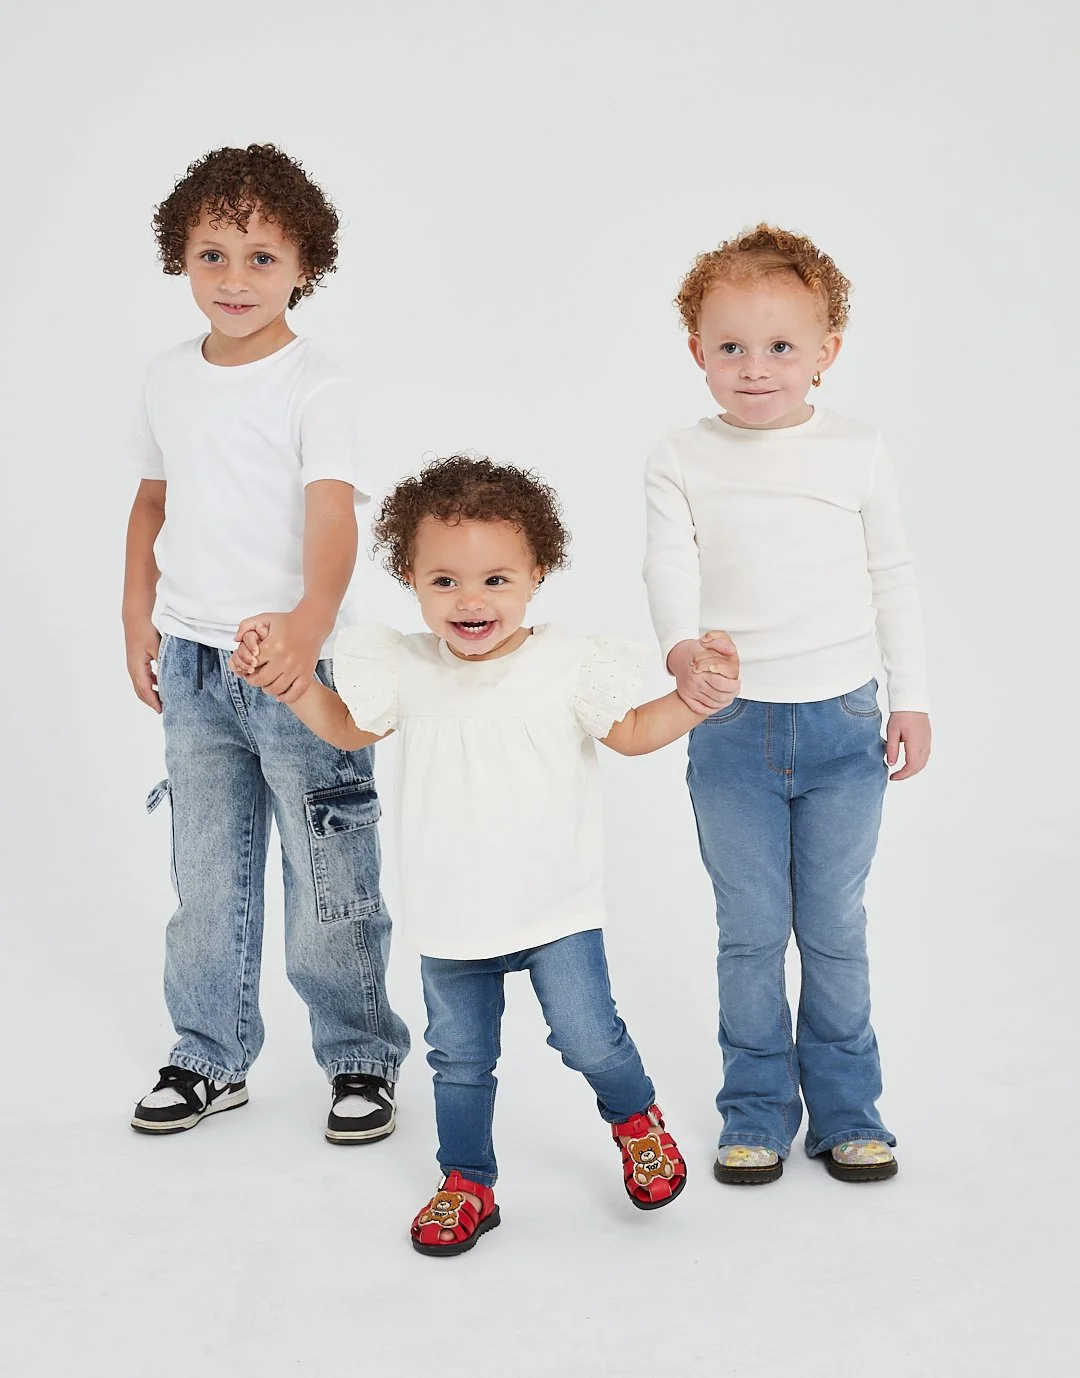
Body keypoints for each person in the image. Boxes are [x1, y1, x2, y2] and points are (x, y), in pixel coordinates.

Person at [232, 455, 741, 1253]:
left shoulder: (567, 662)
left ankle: (635, 1117)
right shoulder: (404, 665)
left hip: (555, 908)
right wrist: (292, 686)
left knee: (589, 1036)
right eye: (445, 582)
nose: (471, 602)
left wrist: (693, 700)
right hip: (452, 914)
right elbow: (346, 729)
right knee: (459, 1062)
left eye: (497, 580)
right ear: (411, 577)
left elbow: (634, 734)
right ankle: (467, 1180)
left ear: (538, 572)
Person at [123, 143, 409, 1142]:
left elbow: (332, 518)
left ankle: (361, 1055)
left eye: (259, 256)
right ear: (181, 259)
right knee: (206, 870)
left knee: (331, 877)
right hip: (196, 664)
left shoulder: (313, 382)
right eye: (211, 254)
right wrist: (137, 618)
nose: (233, 279)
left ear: (303, 265)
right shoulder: (168, 377)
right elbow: (152, 502)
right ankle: (207, 1050)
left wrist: (307, 628)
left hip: (300, 668)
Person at [644, 224, 931, 1184]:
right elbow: (668, 561)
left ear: (825, 355)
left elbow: (893, 574)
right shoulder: (683, 455)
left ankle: (850, 1109)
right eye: (729, 347)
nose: (755, 368)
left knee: (835, 929)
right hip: (729, 728)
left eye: (779, 348)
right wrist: (684, 650)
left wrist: (912, 698)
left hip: (846, 725)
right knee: (752, 932)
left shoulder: (856, 449)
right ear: (697, 353)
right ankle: (757, 1108)